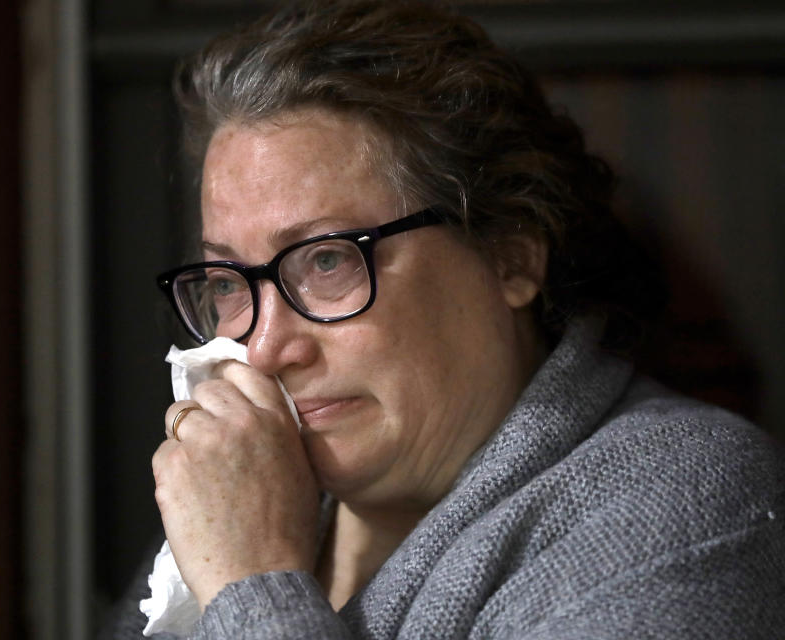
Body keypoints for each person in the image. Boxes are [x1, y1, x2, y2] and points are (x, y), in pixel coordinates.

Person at [102, 1, 785, 637]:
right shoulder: (251, 493)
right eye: (229, 281)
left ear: (511, 256)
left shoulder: (683, 507)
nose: (265, 346)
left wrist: (252, 589)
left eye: (328, 261)